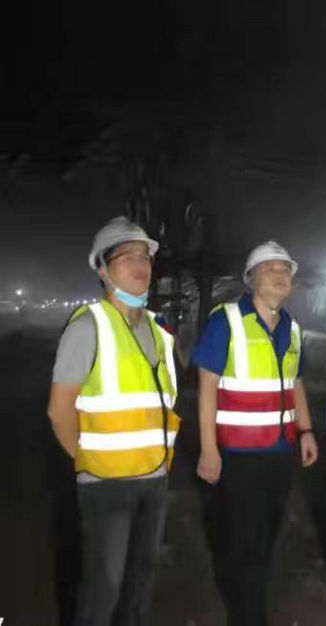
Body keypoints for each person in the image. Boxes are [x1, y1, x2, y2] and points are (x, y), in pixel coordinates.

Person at [48, 216, 181, 626]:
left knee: (139, 587)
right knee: (103, 591)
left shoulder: (159, 331)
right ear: (103, 270)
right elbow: (59, 410)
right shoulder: (88, 327)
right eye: (127, 257)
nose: (141, 265)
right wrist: (87, 460)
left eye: (145, 257)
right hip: (106, 485)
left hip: (154, 478)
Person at [193, 241, 318, 626]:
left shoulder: (293, 328)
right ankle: (247, 615)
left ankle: (249, 601)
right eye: (270, 268)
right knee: (244, 540)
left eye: (285, 270)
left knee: (266, 536)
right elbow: (207, 386)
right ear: (251, 279)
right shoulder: (226, 321)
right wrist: (208, 449)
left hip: (280, 452)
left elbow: (296, 383)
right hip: (238, 455)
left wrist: (307, 430)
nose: (281, 276)